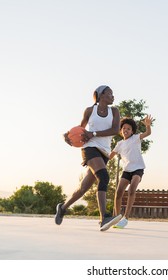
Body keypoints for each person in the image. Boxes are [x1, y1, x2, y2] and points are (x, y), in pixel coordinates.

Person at [55, 85, 122, 231]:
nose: (113, 96)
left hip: (104, 152)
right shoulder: (90, 111)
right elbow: (80, 129)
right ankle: (104, 218)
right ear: (101, 95)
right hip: (89, 149)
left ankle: (63, 207)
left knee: (83, 188)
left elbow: (116, 130)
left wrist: (94, 133)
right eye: (110, 94)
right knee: (103, 177)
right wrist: (68, 136)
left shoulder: (115, 111)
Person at [109, 115, 154, 228]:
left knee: (131, 190)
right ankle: (116, 217)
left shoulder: (136, 138)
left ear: (132, 131)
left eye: (128, 129)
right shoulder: (119, 144)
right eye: (124, 128)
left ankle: (126, 217)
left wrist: (148, 126)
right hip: (127, 170)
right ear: (121, 130)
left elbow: (147, 133)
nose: (126, 130)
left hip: (138, 168)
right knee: (119, 192)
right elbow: (109, 156)